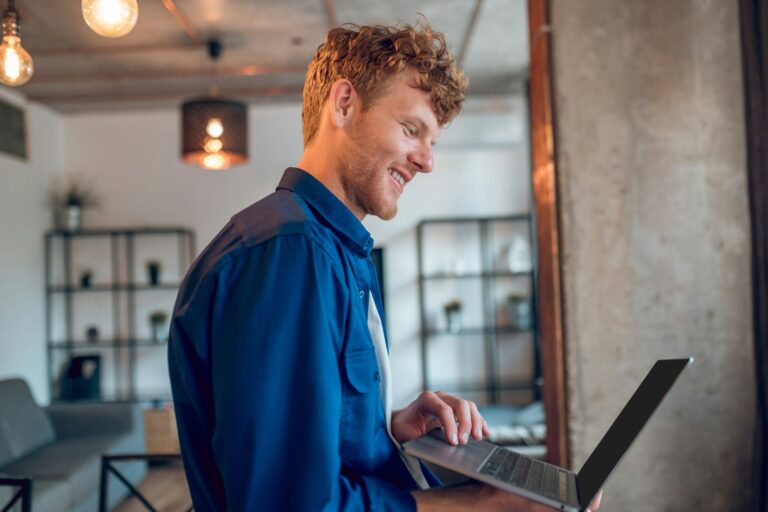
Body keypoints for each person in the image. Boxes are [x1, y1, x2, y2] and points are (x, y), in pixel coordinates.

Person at [168, 21, 603, 512]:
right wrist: (480, 504)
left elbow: (297, 447)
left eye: (433, 142)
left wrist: (384, 426)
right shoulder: (290, 254)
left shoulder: (335, 251)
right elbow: (289, 504)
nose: (426, 162)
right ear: (345, 103)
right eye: (411, 129)